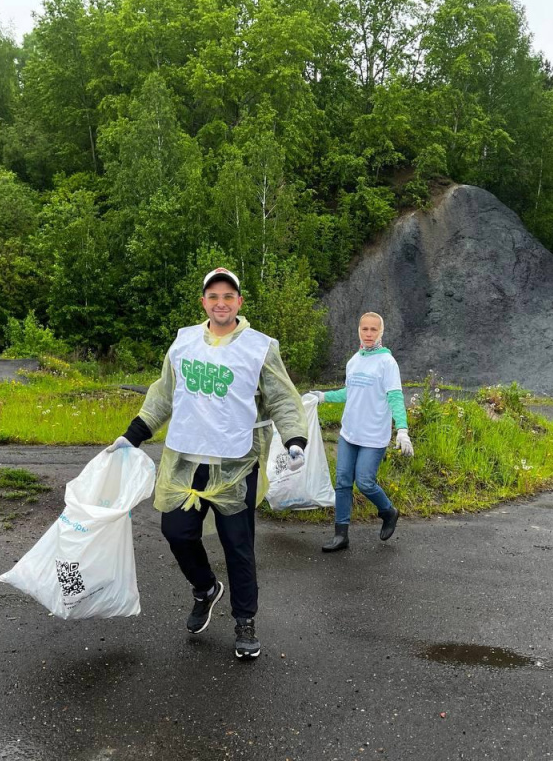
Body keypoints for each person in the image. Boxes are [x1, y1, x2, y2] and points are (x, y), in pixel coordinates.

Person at [106, 268, 308, 660]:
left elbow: (283, 398)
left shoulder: (259, 347)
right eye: (213, 296)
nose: (221, 303)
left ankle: (245, 621)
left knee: (238, 547)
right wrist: (133, 434)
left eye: (228, 296)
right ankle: (205, 588)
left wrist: (294, 438)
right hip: (186, 461)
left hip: (236, 463)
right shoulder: (183, 343)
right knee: (176, 531)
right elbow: (163, 394)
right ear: (203, 302)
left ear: (239, 302)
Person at [307, 312, 413, 552]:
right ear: (358, 330)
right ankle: (341, 534)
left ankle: (388, 511)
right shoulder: (354, 360)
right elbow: (349, 392)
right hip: (349, 433)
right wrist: (323, 396)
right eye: (364, 329)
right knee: (343, 482)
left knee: (365, 482)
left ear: (381, 333)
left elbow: (395, 396)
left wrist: (402, 430)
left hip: (373, 436)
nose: (368, 333)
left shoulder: (387, 363)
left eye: (373, 330)